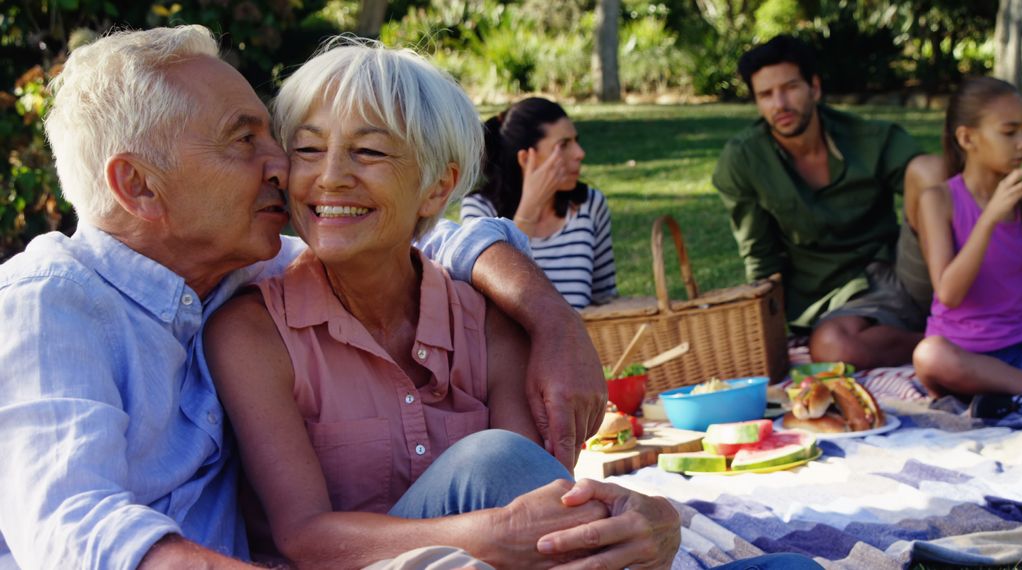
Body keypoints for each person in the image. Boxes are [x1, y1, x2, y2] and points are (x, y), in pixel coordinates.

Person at [0, 25, 608, 568]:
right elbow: (75, 532)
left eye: (276, 138)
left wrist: (555, 323)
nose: (285, 167)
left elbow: (422, 234)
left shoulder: (248, 266)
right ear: (139, 186)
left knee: (503, 476)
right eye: (245, 141)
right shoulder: (46, 306)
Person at [204, 39, 683, 569]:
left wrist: (651, 520)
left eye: (368, 151)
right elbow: (304, 538)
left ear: (437, 188)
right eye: (309, 149)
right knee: (490, 461)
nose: (331, 176)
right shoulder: (252, 332)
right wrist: (489, 535)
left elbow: (544, 510)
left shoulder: (487, 321)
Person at [712, 34, 946, 369]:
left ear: (815, 88)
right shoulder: (744, 160)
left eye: (790, 87)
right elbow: (760, 257)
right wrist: (766, 329)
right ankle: (958, 344)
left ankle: (969, 311)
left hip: (903, 271)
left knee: (929, 169)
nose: (780, 104)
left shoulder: (868, 138)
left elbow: (948, 191)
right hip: (832, 297)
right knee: (832, 347)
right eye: (766, 95)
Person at [911, 76, 1022, 419]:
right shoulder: (939, 200)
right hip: (962, 358)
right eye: (1009, 132)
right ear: (967, 137)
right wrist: (989, 218)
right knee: (929, 355)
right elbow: (949, 294)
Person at [463, 97, 618, 309]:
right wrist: (530, 207)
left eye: (576, 141)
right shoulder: (480, 210)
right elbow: (486, 306)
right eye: (563, 145)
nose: (579, 154)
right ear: (526, 158)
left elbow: (605, 300)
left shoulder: (588, 205)